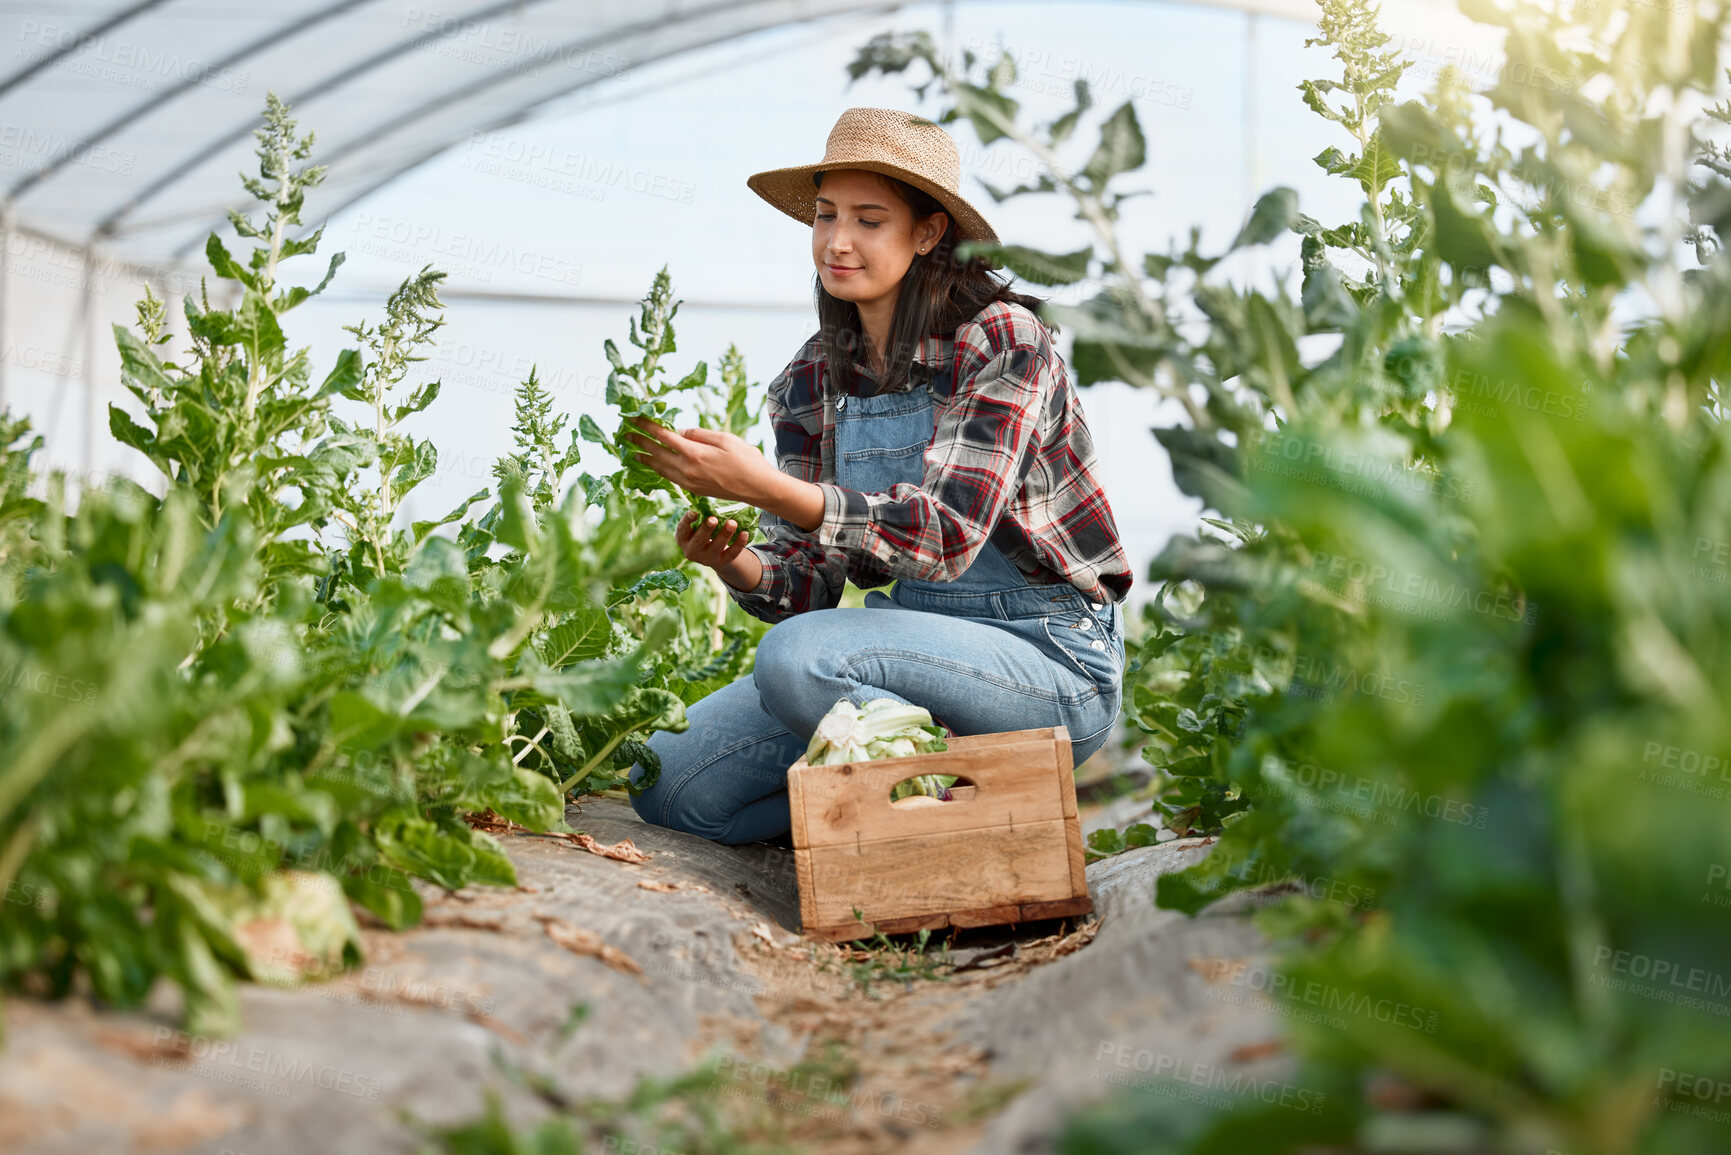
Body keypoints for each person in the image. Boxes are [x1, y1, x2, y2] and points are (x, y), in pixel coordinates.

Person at [620, 107, 1133, 846]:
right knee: (663, 779)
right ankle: (913, 811)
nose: (837, 241)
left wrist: (766, 486)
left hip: (1046, 657)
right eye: (825, 216)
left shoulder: (1001, 341)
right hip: (904, 659)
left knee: (798, 662)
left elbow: (947, 536)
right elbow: (808, 588)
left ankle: (937, 812)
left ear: (927, 233)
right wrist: (735, 559)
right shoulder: (810, 378)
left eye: (868, 219)